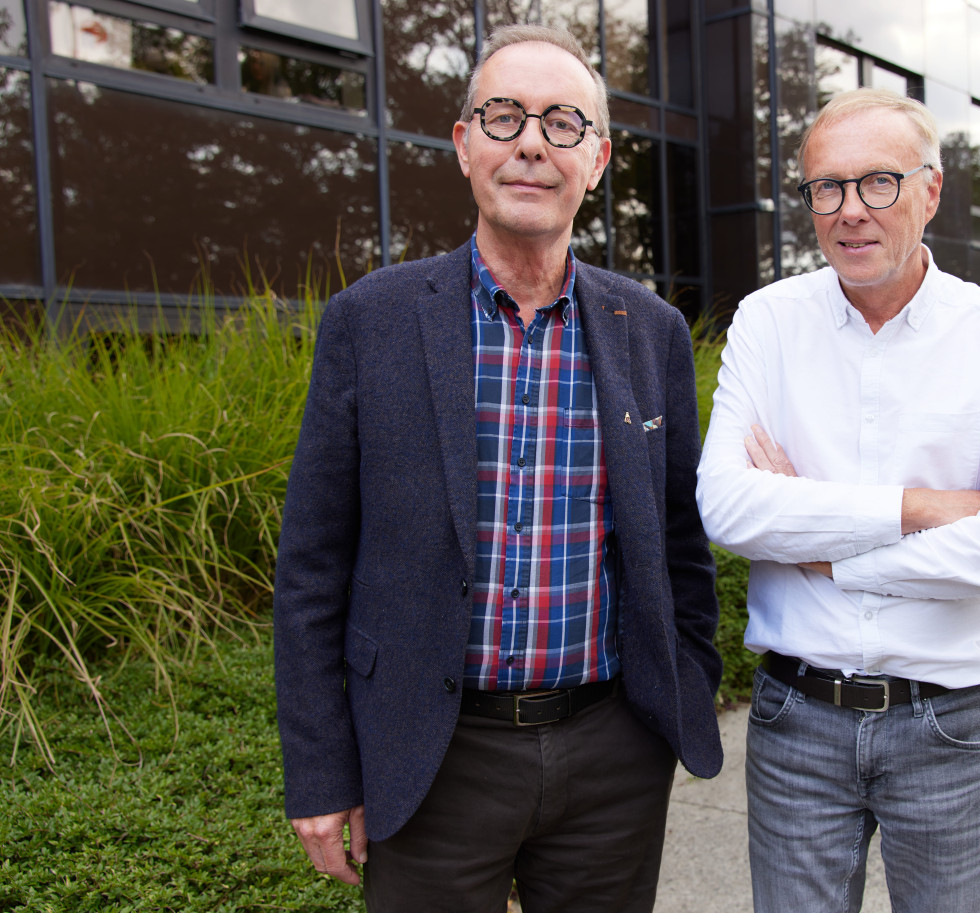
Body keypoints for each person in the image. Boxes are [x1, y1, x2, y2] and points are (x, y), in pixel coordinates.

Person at [273, 24, 723, 913]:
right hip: (431, 754)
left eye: (561, 124)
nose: (530, 143)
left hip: (611, 756)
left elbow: (679, 547)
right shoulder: (373, 319)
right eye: (504, 115)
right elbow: (312, 567)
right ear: (463, 144)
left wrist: (678, 696)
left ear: (596, 159)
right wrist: (322, 769)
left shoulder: (652, 331)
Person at [695, 88, 980, 913]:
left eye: (878, 183)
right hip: (798, 721)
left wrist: (825, 549)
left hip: (952, 728)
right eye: (827, 186)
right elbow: (726, 507)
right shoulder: (767, 323)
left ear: (930, 191)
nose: (850, 211)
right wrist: (920, 506)